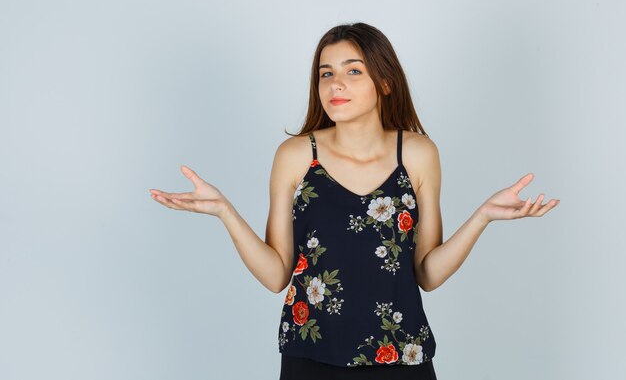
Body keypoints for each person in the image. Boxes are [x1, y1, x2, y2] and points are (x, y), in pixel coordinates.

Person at [149, 22, 560, 380]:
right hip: (311, 357)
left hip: (402, 355)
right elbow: (277, 274)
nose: (335, 84)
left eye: (353, 71)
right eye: (326, 73)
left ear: (384, 82)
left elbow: (427, 273)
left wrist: (482, 216)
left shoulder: (417, 154)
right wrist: (224, 211)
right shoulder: (295, 156)